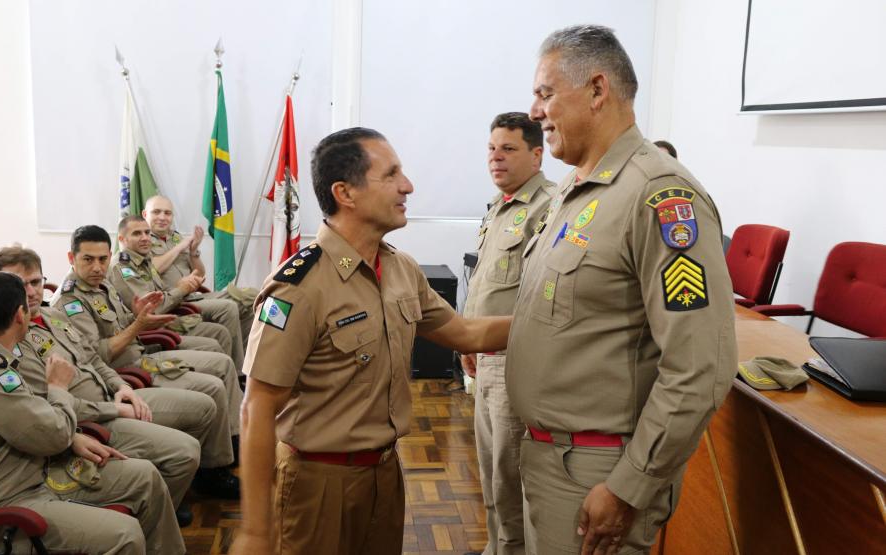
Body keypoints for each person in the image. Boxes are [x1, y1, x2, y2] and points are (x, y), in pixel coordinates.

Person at [508, 25, 737, 554]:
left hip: (599, 473)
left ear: (597, 89)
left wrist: (630, 485)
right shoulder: (577, 190)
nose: (535, 112)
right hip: (550, 458)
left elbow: (700, 367)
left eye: (545, 93)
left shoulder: (660, 197)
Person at [230, 128, 512, 555]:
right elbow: (257, 407)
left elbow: (467, 333)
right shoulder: (298, 287)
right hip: (317, 484)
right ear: (346, 193)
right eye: (391, 174)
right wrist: (255, 531)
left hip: (385, 475)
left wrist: (552, 320)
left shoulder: (401, 269)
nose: (408, 185)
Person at [0, 245, 208, 524]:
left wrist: (121, 387)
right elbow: (44, 408)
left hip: (110, 399)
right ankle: (153, 517)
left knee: (197, 421)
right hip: (86, 422)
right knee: (183, 452)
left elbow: (92, 358)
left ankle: (158, 509)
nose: (31, 292)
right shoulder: (9, 342)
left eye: (36, 282)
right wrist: (114, 409)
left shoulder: (53, 316)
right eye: (21, 285)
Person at [0, 271, 184, 555]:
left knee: (145, 477)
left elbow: (31, 419)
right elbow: (53, 434)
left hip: (37, 465)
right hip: (7, 501)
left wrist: (71, 436)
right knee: (125, 534)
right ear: (20, 315)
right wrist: (58, 388)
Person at [50, 225, 242, 498]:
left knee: (219, 365)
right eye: (88, 259)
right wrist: (138, 325)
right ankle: (211, 470)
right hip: (125, 372)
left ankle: (216, 458)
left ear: (110, 255)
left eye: (103, 259)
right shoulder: (70, 301)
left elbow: (121, 326)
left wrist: (137, 316)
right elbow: (99, 356)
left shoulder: (101, 284)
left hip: (139, 356)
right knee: (211, 387)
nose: (97, 267)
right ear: (72, 258)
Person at [461, 112, 555, 555]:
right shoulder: (501, 205)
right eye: (491, 149)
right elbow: (486, 283)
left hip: (515, 362)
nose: (495, 158)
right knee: (489, 470)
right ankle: (496, 547)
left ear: (537, 155)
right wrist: (467, 339)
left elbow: (545, 296)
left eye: (508, 149)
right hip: (484, 358)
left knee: (510, 473)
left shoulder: (549, 208)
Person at [111, 215, 245, 372]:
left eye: (147, 232)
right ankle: (223, 377)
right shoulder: (122, 267)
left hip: (170, 315)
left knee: (222, 330)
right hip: (153, 330)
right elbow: (152, 309)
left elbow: (162, 294)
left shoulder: (144, 260)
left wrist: (185, 284)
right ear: (122, 239)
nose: (145, 238)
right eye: (137, 233)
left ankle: (236, 377)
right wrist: (181, 289)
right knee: (217, 337)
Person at [143, 194, 256, 344]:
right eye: (156, 212)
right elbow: (154, 268)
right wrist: (180, 247)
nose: (162, 217)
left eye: (167, 213)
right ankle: (235, 357)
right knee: (229, 307)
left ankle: (244, 352)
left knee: (251, 298)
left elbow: (200, 274)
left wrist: (193, 252)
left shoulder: (175, 237)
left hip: (192, 296)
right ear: (145, 214)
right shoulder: (141, 240)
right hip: (172, 302)